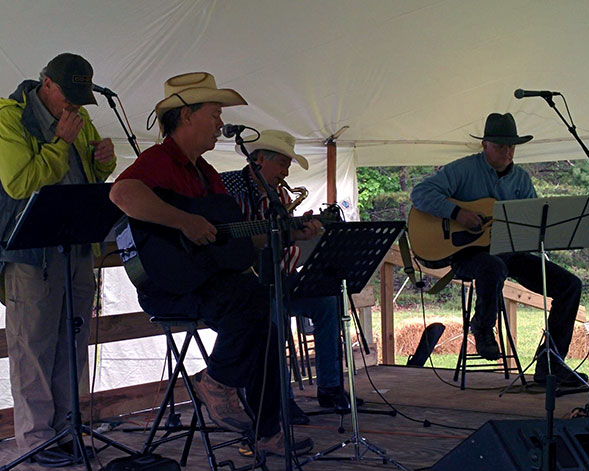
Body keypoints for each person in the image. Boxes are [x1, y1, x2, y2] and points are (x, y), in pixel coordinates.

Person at [109, 72, 313, 456]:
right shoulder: (158, 160)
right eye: (215, 113)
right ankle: (217, 380)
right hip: (168, 287)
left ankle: (267, 431)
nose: (221, 123)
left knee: (263, 314)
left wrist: (288, 232)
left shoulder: (207, 174)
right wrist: (183, 221)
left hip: (204, 281)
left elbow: (228, 237)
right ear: (186, 116)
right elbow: (122, 194)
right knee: (251, 300)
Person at [410, 112, 586, 386]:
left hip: (510, 253)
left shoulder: (521, 181)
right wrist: (458, 213)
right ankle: (482, 328)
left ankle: (550, 364)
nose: (507, 151)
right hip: (466, 254)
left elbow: (532, 225)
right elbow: (420, 194)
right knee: (493, 265)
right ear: (485, 145)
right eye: (501, 145)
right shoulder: (463, 170)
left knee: (570, 285)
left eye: (511, 146)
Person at [0, 53, 116, 465]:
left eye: (81, 99)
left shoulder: (78, 119)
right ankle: (34, 440)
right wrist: (62, 142)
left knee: (73, 343)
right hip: (31, 255)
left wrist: (104, 161)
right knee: (32, 348)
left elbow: (84, 181)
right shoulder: (8, 118)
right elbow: (19, 183)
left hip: (76, 247)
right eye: (69, 95)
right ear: (46, 83)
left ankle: (68, 429)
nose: (75, 107)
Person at [221, 130, 363, 424]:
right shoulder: (229, 186)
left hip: (281, 276)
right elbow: (229, 235)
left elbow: (286, 238)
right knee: (272, 313)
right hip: (247, 281)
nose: (286, 172)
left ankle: (331, 386)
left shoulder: (281, 195)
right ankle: (279, 399)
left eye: (288, 166)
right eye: (282, 164)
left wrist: (301, 232)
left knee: (326, 301)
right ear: (259, 160)